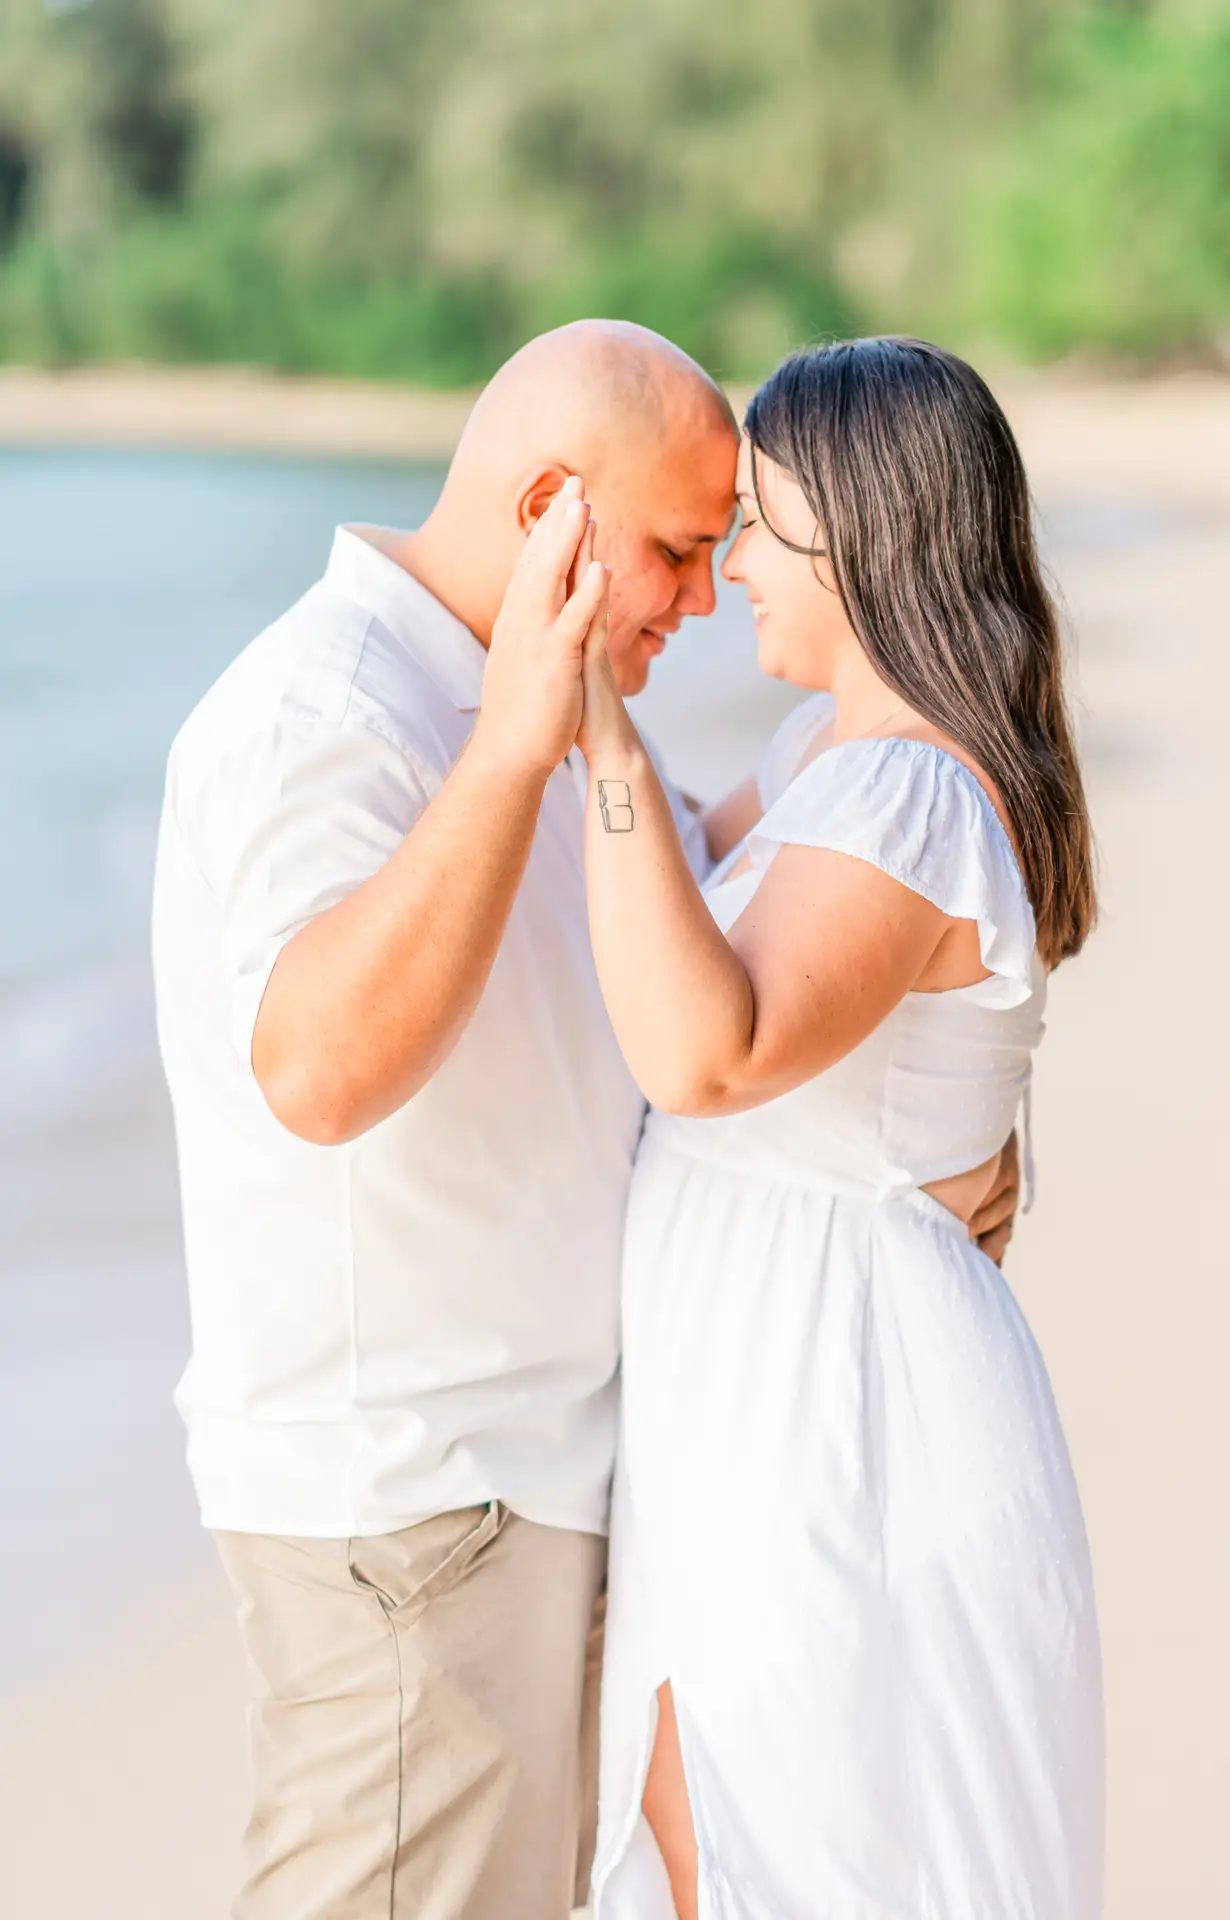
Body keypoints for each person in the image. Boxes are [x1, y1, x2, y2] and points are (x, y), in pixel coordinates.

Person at [152, 320, 1020, 1920]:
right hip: (420, 1509)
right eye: (683, 551)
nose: (701, 600)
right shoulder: (336, 712)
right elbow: (317, 1070)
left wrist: (940, 1112)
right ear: (555, 508)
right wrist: (515, 743)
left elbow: (725, 909)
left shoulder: (532, 698)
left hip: (554, 1487)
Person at [567, 338, 1104, 1919]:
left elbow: (708, 1049)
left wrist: (596, 723)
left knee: (792, 1841)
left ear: (866, 541)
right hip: (765, 1379)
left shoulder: (916, 797)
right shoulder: (831, 761)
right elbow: (664, 871)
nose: (730, 570)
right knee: (706, 1826)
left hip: (836, 1408)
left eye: (760, 529)